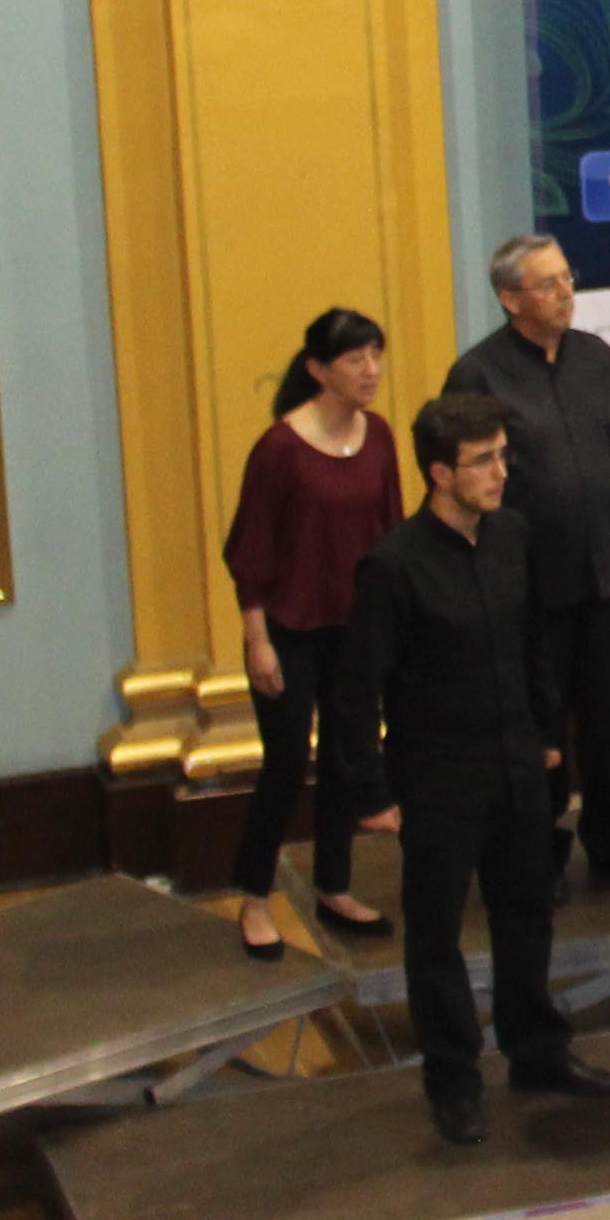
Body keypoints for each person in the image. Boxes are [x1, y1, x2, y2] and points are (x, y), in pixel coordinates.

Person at [355, 393, 610, 1145]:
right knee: (436, 931)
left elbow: (533, 640)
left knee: (527, 912)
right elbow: (359, 687)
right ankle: (453, 1078)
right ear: (440, 473)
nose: (502, 472)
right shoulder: (394, 566)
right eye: (484, 461)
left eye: (504, 455)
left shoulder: (514, 537)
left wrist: (547, 731)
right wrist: (372, 791)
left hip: (516, 762)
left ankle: (536, 1049)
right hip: (438, 774)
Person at [448, 231, 610, 889]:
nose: (566, 292)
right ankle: (534, 852)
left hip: (603, 575)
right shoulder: (477, 375)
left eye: (568, 278)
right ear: (511, 299)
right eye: (549, 285)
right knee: (537, 723)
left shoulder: (595, 357)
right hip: (528, 584)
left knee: (607, 720)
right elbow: (464, 479)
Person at [221, 306, 400, 954]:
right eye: (356, 360)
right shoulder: (280, 450)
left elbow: (389, 537)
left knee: (349, 758)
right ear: (319, 369)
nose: (371, 370)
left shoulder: (378, 437)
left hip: (354, 629)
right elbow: (250, 553)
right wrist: (257, 638)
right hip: (288, 629)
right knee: (287, 763)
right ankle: (254, 897)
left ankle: (335, 885)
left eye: (376, 355)